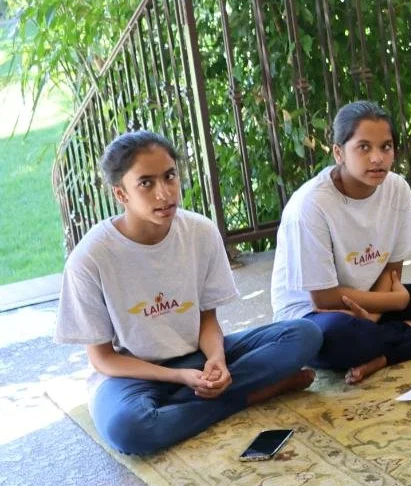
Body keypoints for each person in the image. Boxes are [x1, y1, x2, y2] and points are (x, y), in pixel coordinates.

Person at [54, 131, 320, 457]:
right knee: (129, 430)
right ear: (121, 193)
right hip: (132, 376)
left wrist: (216, 359)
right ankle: (249, 395)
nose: (164, 193)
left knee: (304, 334)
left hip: (196, 357)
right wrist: (178, 376)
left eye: (169, 176)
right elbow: (103, 358)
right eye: (146, 183)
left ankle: (188, 402)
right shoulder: (90, 258)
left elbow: (208, 321)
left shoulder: (200, 232)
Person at [271, 101, 411, 385]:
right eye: (364, 147)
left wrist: (376, 316)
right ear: (339, 152)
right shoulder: (311, 205)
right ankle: (407, 334)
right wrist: (396, 301)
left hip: (371, 298)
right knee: (353, 339)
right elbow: (324, 298)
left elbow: (392, 273)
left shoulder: (396, 188)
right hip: (312, 317)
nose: (377, 158)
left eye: (386, 147)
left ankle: (386, 354)